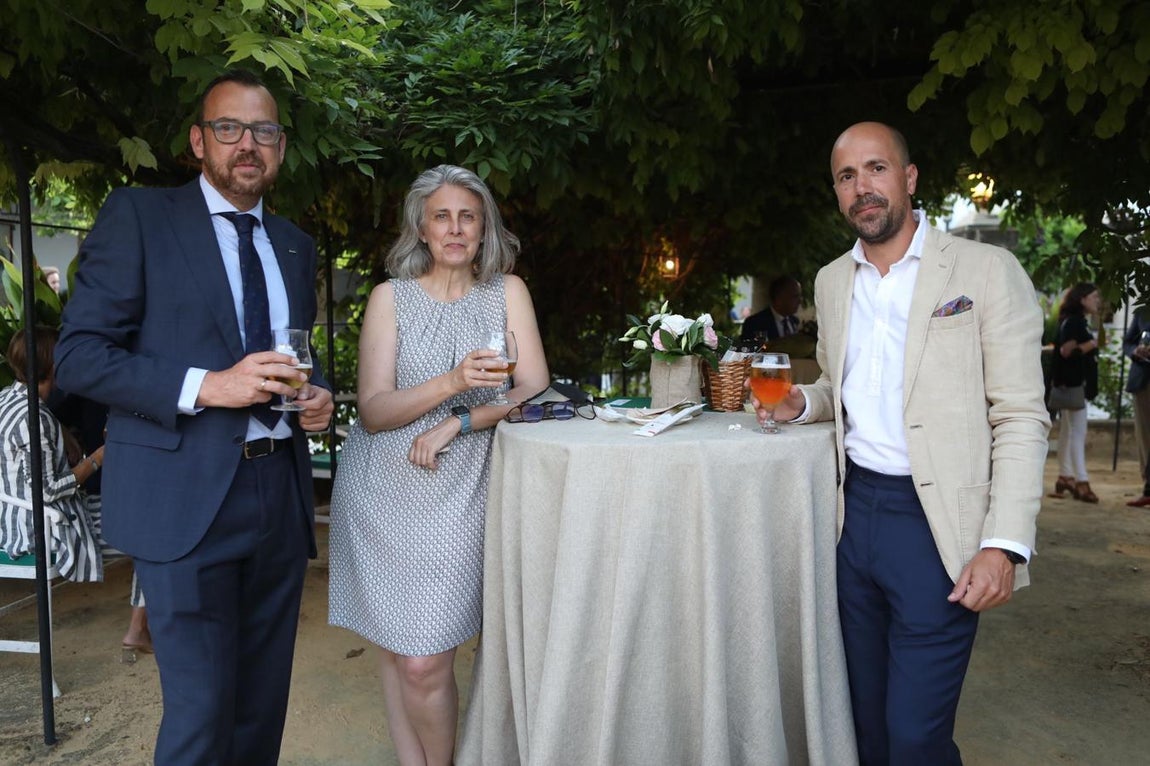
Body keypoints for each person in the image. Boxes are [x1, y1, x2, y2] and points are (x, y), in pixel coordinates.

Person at [53, 69, 333, 765]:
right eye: (229, 128)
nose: (248, 144)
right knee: (203, 716)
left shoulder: (295, 245)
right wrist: (207, 386)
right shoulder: (142, 218)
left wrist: (317, 394)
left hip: (279, 494)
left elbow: (293, 353)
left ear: (281, 147)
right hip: (183, 499)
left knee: (260, 713)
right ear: (198, 141)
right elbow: (82, 356)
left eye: (263, 131)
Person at [760, 122, 1049, 764]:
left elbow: (1021, 415)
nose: (863, 187)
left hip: (937, 529)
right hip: (853, 519)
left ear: (910, 177)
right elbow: (840, 387)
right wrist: (799, 401)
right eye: (846, 176)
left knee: (915, 737)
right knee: (864, 727)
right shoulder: (833, 280)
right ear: (836, 193)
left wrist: (1003, 544)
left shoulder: (986, 270)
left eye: (876, 168)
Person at [328, 164, 549, 765]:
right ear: (420, 229)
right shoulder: (388, 298)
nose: (455, 228)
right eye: (442, 216)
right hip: (382, 490)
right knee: (399, 651)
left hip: (461, 489)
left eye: (468, 216)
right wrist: (453, 382)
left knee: (426, 659)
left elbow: (532, 386)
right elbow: (374, 410)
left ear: (484, 228)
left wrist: (464, 418)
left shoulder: (507, 292)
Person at [0, 327, 148, 650]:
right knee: (147, 538)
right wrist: (99, 457)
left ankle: (140, 628)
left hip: (14, 518)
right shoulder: (34, 420)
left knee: (136, 520)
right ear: (53, 366)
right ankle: (138, 630)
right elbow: (48, 491)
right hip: (46, 528)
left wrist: (62, 430)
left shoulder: (9, 400)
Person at [1048, 283, 1101, 503]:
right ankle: (1081, 480)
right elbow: (1066, 351)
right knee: (1077, 432)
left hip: (1069, 384)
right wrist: (1091, 344)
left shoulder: (1071, 321)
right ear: (1083, 299)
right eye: (1094, 297)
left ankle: (1066, 476)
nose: (1098, 301)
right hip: (1073, 385)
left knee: (1068, 432)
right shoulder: (1076, 322)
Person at [1123, 309, 1150, 507]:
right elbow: (1127, 342)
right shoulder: (1143, 310)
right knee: (1145, 435)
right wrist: (1135, 351)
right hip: (1144, 381)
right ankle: (1148, 486)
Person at [739, 275, 803, 345]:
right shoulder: (754, 324)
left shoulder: (794, 321)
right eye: (795, 296)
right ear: (779, 298)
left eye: (800, 296)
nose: (800, 301)